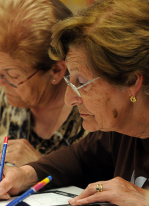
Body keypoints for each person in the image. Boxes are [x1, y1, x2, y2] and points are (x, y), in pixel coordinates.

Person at [0, 0, 149, 205]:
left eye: (81, 83)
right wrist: (23, 175)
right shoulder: (120, 123)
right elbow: (78, 160)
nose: (69, 98)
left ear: (132, 81)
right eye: (69, 80)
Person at [0, 0, 87, 167]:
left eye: (12, 75)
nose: (1, 84)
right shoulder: (6, 100)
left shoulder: (92, 120)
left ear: (56, 71)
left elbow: (100, 187)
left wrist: (42, 166)